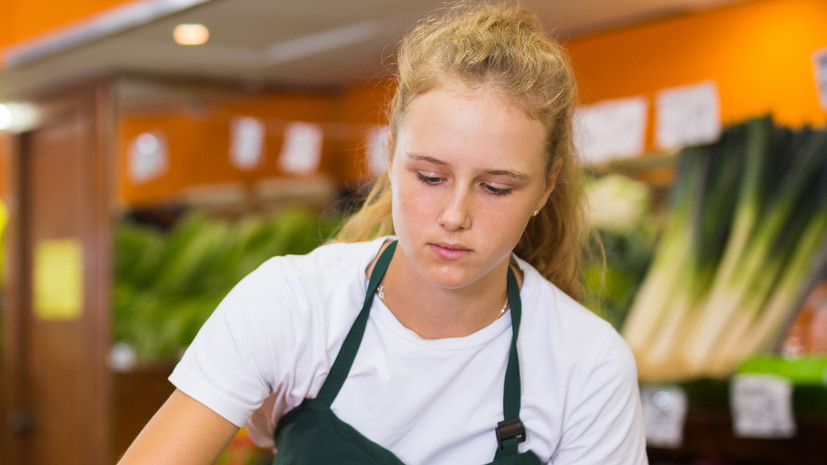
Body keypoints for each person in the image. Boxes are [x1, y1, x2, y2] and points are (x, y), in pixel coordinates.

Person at [119, 3, 647, 464]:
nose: (454, 215)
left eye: (496, 188)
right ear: (390, 154)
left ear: (546, 186)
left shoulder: (588, 367)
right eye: (431, 177)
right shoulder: (294, 306)